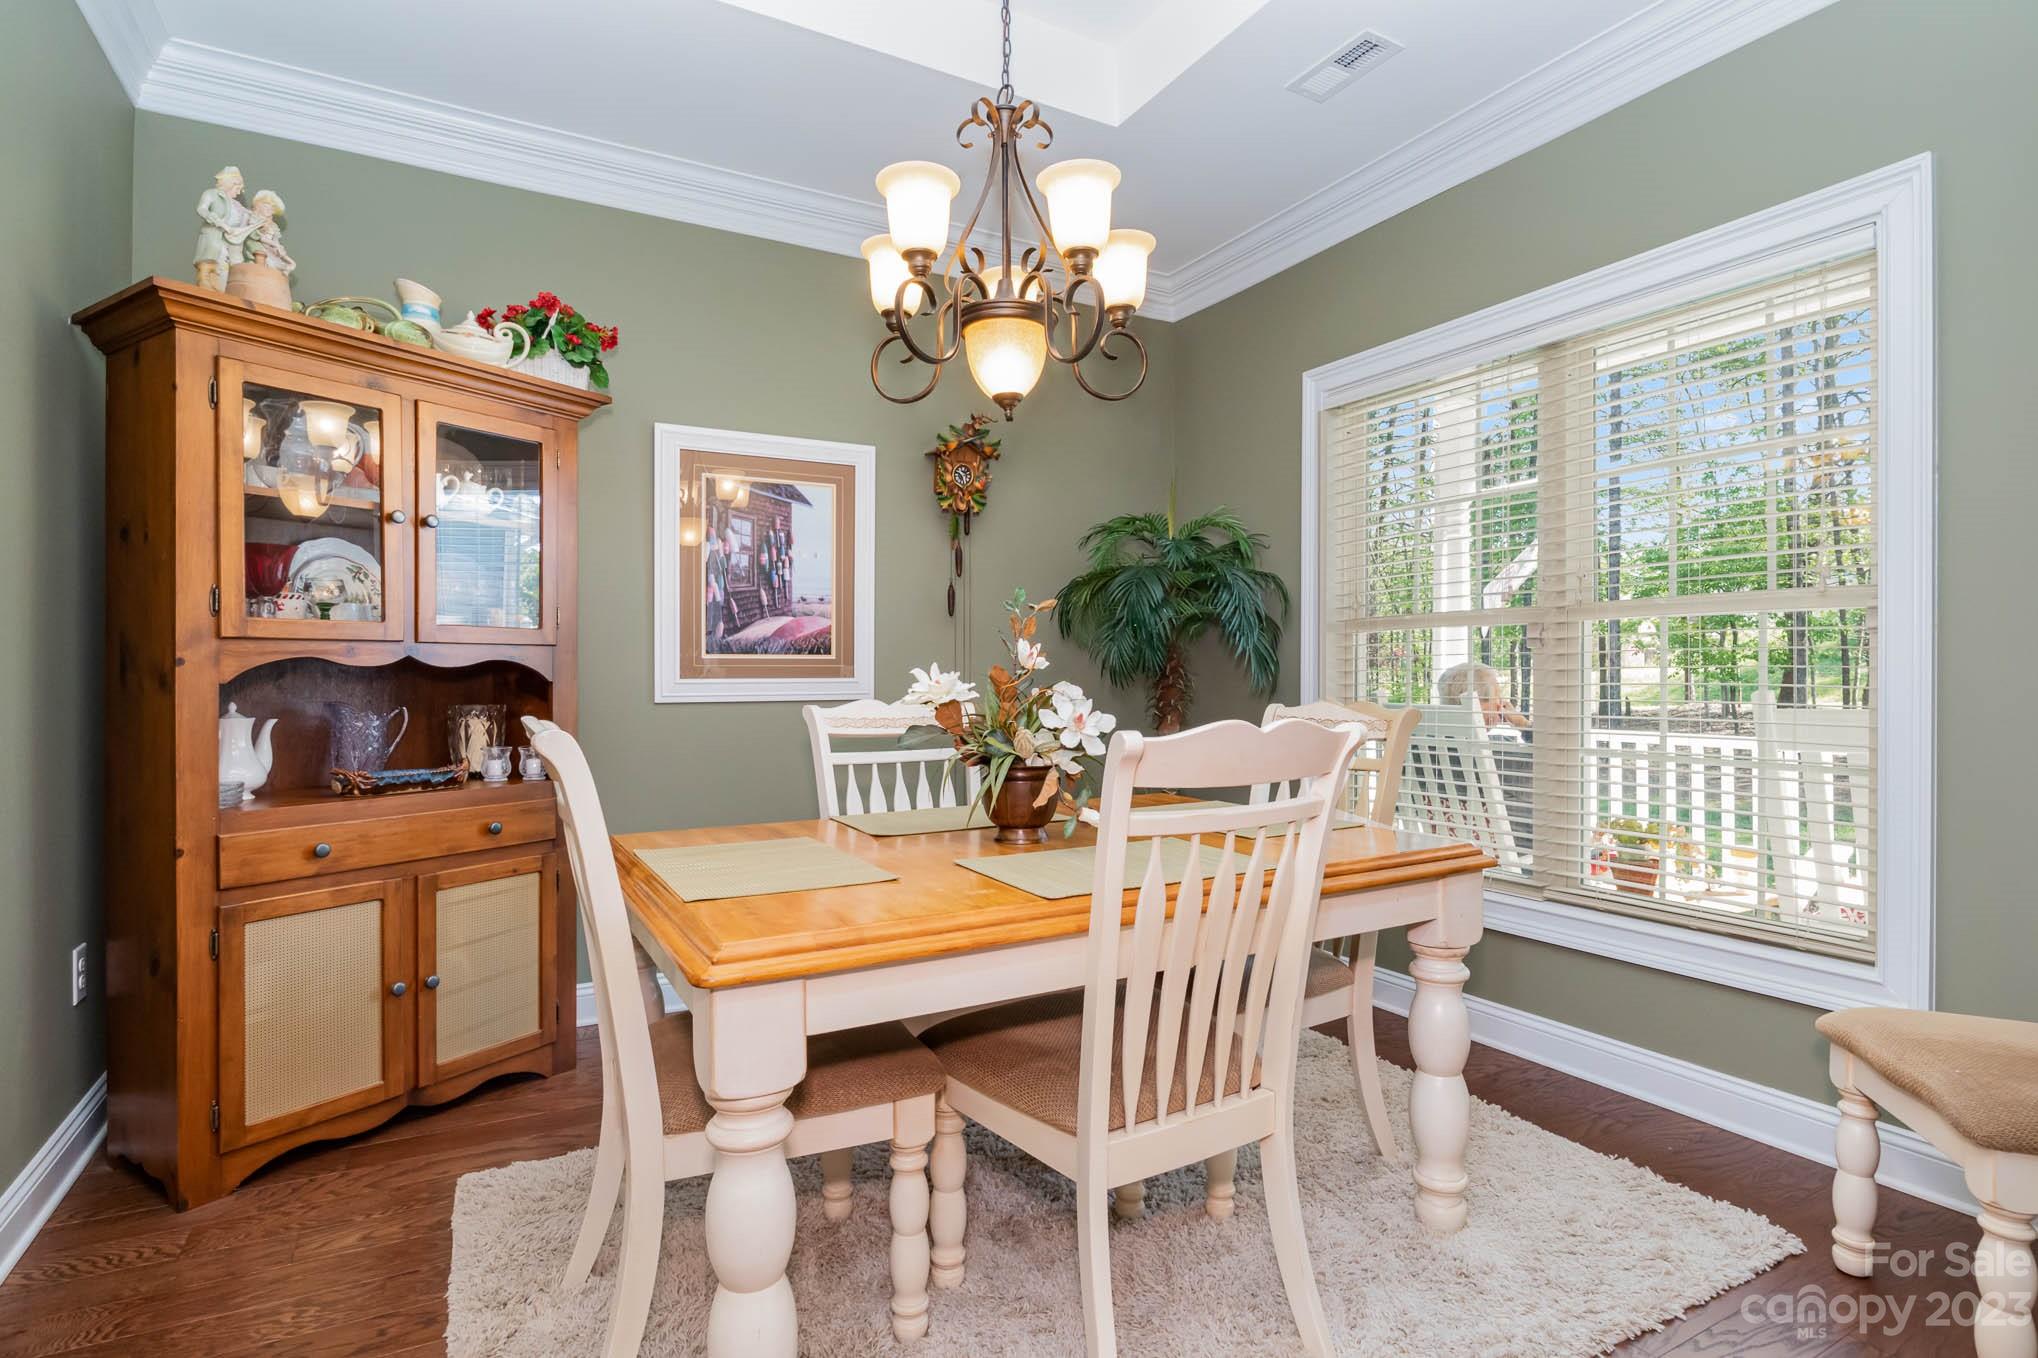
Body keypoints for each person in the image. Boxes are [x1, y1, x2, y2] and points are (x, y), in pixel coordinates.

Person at [193, 166, 254, 292]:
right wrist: (217, 221)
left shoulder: (237, 206)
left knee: (226, 269)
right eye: (238, 188)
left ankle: (219, 290)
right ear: (231, 183)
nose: (238, 193)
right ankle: (206, 284)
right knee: (209, 263)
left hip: (230, 243)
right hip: (213, 235)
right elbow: (201, 209)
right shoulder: (211, 194)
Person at [1437, 661, 1530, 734]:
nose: (1502, 704)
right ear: (1478, 705)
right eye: (1497, 696)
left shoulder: (1428, 743)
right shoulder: (1496, 750)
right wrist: (1523, 724)